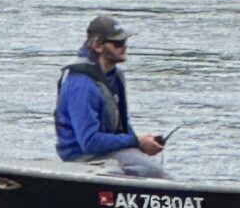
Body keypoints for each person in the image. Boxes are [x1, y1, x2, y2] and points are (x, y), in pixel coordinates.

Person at [55, 13, 168, 178]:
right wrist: (136, 141)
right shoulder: (81, 85)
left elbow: (122, 127)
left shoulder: (116, 77)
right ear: (98, 45)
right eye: (118, 43)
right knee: (153, 172)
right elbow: (89, 142)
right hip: (83, 157)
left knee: (152, 168)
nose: (124, 47)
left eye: (125, 42)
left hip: (110, 151)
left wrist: (143, 144)